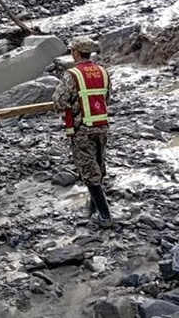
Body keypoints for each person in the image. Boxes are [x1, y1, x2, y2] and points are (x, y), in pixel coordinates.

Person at [52, 36, 112, 228]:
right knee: (98, 166)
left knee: (88, 170)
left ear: (75, 52)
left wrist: (72, 106)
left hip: (82, 129)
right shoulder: (103, 72)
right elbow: (107, 98)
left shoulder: (73, 75)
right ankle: (93, 209)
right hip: (101, 125)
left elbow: (59, 102)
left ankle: (105, 215)